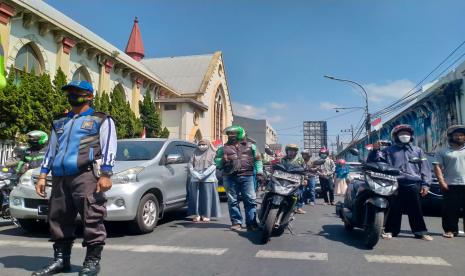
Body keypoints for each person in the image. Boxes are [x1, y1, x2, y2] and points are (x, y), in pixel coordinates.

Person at [33, 80, 117, 276]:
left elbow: (109, 147)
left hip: (86, 175)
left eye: (77, 92)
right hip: (60, 177)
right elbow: (51, 151)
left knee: (92, 217)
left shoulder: (101, 119)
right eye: (70, 92)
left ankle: (92, 262)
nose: (72, 95)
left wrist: (106, 174)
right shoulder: (59, 121)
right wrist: (43, 176)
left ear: (89, 96)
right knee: (58, 218)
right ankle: (61, 261)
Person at [372, 124, 433, 241]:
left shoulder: (418, 151)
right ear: (395, 136)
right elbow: (376, 162)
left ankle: (420, 232)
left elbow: (425, 168)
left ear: (411, 136)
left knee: (416, 209)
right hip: (395, 183)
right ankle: (390, 230)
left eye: (407, 134)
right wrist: (375, 150)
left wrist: (426, 184)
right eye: (401, 134)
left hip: (413, 184)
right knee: (394, 208)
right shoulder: (388, 151)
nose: (405, 136)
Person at [215, 125, 264, 231]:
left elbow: (258, 160)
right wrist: (222, 161)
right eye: (229, 133)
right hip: (229, 176)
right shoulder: (222, 149)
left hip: (247, 176)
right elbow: (217, 162)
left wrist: (259, 172)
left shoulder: (252, 146)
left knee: (250, 199)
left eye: (234, 133)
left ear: (240, 133)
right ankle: (236, 222)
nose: (231, 135)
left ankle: (251, 223)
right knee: (232, 200)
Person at [434, 125, 465, 238]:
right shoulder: (443, 151)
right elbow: (437, 166)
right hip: (451, 184)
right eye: (457, 135)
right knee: (450, 210)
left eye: (462, 135)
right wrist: (441, 181)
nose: (460, 137)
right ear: (451, 137)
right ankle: (450, 230)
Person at [188, 139, 221, 222]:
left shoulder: (213, 154)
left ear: (208, 145)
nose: (202, 146)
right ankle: (197, 214)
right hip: (195, 179)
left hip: (208, 179)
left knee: (207, 198)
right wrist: (195, 174)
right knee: (196, 197)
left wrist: (203, 175)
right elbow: (190, 165)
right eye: (200, 144)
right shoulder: (195, 153)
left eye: (204, 144)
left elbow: (213, 166)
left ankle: (206, 214)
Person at [280, 144, 306, 214]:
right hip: (285, 178)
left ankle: (298, 207)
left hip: (297, 179)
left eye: (293, 150)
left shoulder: (300, 159)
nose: (291, 152)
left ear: (296, 152)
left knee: (299, 194)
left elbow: (304, 169)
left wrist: (305, 179)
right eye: (290, 150)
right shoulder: (283, 159)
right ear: (287, 151)